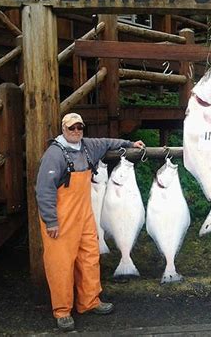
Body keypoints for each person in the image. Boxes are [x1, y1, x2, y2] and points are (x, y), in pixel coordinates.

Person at [35, 113, 145, 331]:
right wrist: (51, 221)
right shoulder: (54, 154)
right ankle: (63, 310)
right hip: (60, 218)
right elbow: (44, 190)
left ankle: (89, 301)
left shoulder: (88, 146)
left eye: (79, 127)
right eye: (71, 128)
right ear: (63, 129)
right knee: (61, 265)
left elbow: (107, 142)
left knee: (89, 257)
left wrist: (130, 143)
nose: (76, 131)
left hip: (84, 215)